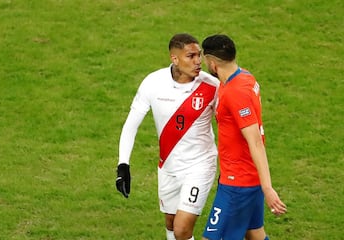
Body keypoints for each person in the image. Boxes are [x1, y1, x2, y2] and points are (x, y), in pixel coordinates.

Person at [116, 33, 220, 240]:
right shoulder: (153, 83)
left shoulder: (212, 86)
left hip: (200, 165)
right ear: (174, 58)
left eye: (199, 55)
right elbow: (131, 125)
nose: (198, 61)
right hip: (168, 166)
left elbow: (229, 127)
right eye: (191, 56)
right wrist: (123, 165)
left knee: (182, 229)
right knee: (171, 223)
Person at [200, 34, 287, 240]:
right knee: (254, 233)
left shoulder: (235, 93)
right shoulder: (243, 77)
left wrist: (268, 188)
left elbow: (255, 141)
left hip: (238, 183)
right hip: (246, 177)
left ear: (212, 63)